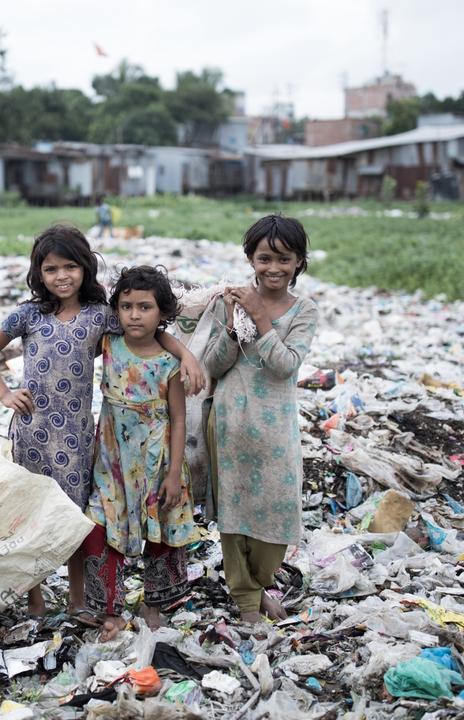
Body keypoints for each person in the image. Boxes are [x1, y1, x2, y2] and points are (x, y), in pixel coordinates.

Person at [0, 224, 203, 618]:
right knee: (33, 516)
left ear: (85, 269)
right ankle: (35, 598)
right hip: (32, 433)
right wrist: (5, 394)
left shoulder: (100, 316)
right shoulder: (27, 315)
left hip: (78, 439)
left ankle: (78, 598)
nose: (61, 276)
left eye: (70, 267)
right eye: (51, 269)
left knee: (75, 519)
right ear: (38, 274)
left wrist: (187, 356)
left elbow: (147, 330)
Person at [202, 214, 318, 625]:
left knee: (277, 516)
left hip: (275, 430)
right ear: (250, 259)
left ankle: (261, 580)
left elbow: (285, 366)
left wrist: (261, 319)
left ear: (299, 262)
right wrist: (235, 327)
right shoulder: (227, 302)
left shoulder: (304, 312)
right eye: (264, 258)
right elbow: (212, 365)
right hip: (230, 421)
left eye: (283, 259)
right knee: (233, 518)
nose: (273, 268)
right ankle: (248, 600)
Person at [80, 266, 201, 640]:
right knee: (99, 527)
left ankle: (155, 602)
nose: (135, 314)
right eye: (127, 305)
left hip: (158, 460)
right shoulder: (108, 345)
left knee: (160, 531)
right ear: (116, 309)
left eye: (145, 307)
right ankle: (108, 611)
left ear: (161, 313)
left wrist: (174, 472)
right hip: (113, 460)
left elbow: (179, 420)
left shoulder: (169, 363)